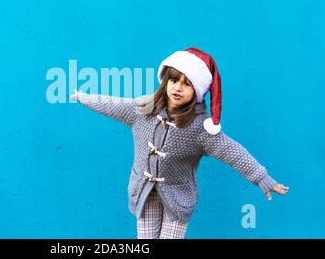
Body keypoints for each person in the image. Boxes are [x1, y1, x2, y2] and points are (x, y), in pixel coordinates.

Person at [70, 47, 289, 239]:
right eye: (174, 81)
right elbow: (112, 104)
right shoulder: (142, 111)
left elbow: (234, 153)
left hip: (178, 200)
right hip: (144, 193)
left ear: (198, 91)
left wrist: (262, 178)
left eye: (187, 84)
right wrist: (82, 96)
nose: (178, 88)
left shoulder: (200, 130)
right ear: (165, 82)